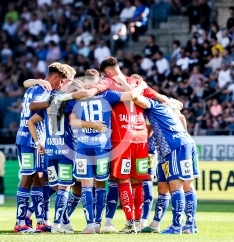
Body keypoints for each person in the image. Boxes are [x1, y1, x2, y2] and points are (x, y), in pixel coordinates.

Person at [55, 56, 174, 233]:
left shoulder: (106, 84)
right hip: (140, 140)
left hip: (118, 141)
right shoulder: (135, 81)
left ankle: (118, 223)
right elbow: (161, 98)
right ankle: (140, 221)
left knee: (119, 180)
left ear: (107, 72)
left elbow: (84, 101)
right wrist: (169, 102)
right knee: (139, 181)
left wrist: (66, 96)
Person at [66, 72, 140, 234]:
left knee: (86, 186)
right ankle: (99, 224)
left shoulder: (77, 98)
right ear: (99, 82)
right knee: (100, 185)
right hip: (102, 148)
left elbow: (73, 122)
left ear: (86, 82)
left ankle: (90, 224)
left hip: (83, 148)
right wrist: (141, 85)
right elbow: (133, 95)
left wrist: (90, 124)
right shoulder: (108, 95)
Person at [128, 85, 199, 234]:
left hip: (174, 146)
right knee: (168, 187)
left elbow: (135, 97)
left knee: (177, 186)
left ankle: (177, 226)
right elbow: (181, 111)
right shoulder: (165, 106)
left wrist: (138, 86)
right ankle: (188, 225)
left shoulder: (153, 104)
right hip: (180, 144)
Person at [13, 62, 68, 233]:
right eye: (60, 82)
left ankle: (41, 221)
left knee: (39, 178)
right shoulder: (43, 90)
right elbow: (33, 106)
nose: (59, 86)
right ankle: (20, 222)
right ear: (54, 78)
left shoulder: (33, 88)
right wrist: (54, 100)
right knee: (28, 177)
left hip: (29, 139)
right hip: (31, 139)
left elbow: (26, 85)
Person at [27, 79, 84, 234]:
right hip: (66, 152)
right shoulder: (71, 104)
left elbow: (30, 122)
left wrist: (38, 142)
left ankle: (64, 221)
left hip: (50, 151)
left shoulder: (48, 105)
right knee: (64, 188)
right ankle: (58, 224)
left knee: (57, 187)